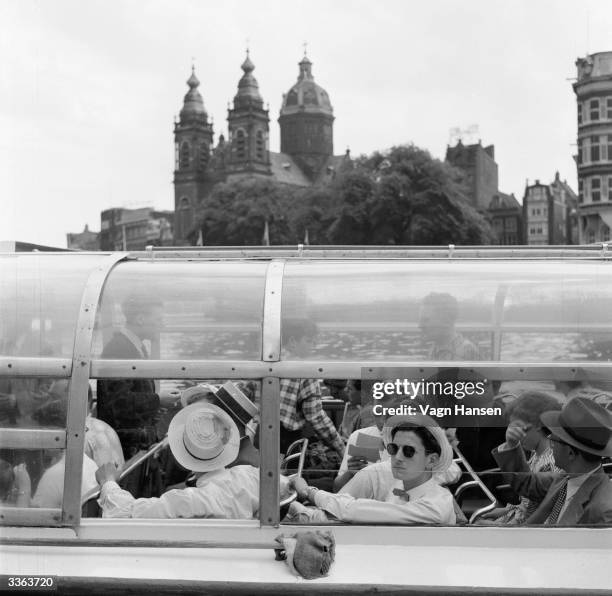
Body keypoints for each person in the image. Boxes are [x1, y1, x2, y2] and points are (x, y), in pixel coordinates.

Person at [96, 401, 290, 519]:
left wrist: (108, 482)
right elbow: (285, 484)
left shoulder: (189, 501)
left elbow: (125, 512)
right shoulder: (251, 476)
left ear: (183, 457)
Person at [290, 413, 457, 525]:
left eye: (408, 451)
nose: (397, 457)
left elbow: (355, 510)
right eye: (392, 449)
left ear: (432, 460)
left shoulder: (436, 507)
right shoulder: (397, 484)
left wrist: (308, 491)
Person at [492, 396, 612, 525]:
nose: (549, 441)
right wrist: (511, 444)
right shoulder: (563, 478)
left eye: (554, 439)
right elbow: (526, 482)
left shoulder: (601, 509)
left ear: (570, 453)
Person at [96, 294, 162, 497]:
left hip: (135, 444)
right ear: (141, 319)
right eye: (158, 319)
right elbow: (120, 405)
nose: (161, 325)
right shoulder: (119, 349)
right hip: (128, 448)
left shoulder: (131, 346)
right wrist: (158, 400)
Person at [478, 391, 562, 525]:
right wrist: (507, 510)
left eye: (518, 427)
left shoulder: (551, 462)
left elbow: (539, 512)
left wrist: (501, 526)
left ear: (539, 425)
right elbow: (528, 502)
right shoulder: (537, 454)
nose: (514, 433)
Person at [276, 319, 345, 458]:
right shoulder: (304, 371)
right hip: (284, 442)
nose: (313, 345)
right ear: (293, 341)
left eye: (314, 341)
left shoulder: (262, 362)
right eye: (309, 341)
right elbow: (316, 417)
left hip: (257, 436)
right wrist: (341, 448)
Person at [29, 398, 98, 509]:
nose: (37, 441)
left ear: (55, 434)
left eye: (40, 433)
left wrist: (23, 489)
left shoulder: (54, 475)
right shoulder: (89, 463)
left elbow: (36, 518)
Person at [418, 292, 480, 361]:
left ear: (446, 321)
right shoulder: (434, 348)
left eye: (426, 320)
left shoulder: (467, 353)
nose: (420, 326)